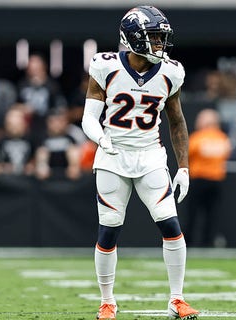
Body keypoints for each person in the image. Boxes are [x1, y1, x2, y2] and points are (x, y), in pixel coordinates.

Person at [80, 6, 199, 320]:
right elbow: (89, 117)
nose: (160, 44)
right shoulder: (105, 66)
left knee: (170, 225)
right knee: (109, 230)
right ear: (133, 38)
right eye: (154, 37)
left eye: (161, 38)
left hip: (150, 157)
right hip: (112, 156)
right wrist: (101, 139)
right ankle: (107, 302)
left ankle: (177, 299)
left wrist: (183, 166)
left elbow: (177, 122)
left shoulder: (170, 71)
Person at [185, 108, 231, 247]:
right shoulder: (223, 138)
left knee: (192, 214)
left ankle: (189, 242)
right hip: (216, 180)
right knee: (212, 214)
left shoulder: (198, 137)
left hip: (198, 179)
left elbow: (187, 153)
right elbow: (226, 155)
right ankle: (208, 243)